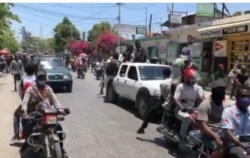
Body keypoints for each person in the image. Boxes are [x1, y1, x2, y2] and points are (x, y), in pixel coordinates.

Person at [20, 70, 68, 158]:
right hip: (35, 115)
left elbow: (54, 100)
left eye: (42, 78)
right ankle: (27, 146)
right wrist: (25, 112)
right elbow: (25, 102)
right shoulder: (31, 89)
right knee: (29, 128)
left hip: (48, 114)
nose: (41, 79)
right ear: (36, 78)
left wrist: (60, 109)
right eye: (39, 78)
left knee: (58, 128)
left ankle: (61, 148)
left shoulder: (48, 89)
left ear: (45, 78)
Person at [196, 79, 226, 158]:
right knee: (221, 149)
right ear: (213, 90)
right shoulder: (205, 105)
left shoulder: (223, 105)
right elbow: (203, 126)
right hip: (208, 134)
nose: (221, 91)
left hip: (223, 132)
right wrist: (216, 137)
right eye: (219, 89)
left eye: (223, 89)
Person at [136, 67, 172, 134]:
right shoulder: (173, 81)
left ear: (163, 74)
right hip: (173, 102)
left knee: (150, 111)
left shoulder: (163, 83)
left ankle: (142, 128)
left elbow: (162, 96)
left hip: (167, 102)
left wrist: (159, 103)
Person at [174, 68, 204, 143]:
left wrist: (207, 104)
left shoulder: (196, 87)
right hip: (180, 110)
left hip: (192, 109)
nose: (193, 80)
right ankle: (182, 136)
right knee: (187, 118)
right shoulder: (180, 86)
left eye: (194, 79)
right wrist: (182, 107)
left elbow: (201, 97)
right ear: (186, 78)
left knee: (202, 117)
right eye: (191, 79)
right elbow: (176, 99)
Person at [10, 63, 37, 142]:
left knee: (16, 114)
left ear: (25, 71)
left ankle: (16, 135)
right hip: (39, 102)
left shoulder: (23, 80)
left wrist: (24, 100)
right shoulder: (37, 78)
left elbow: (21, 93)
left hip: (28, 104)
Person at [221, 87, 250, 158]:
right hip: (234, 144)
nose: (247, 99)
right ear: (237, 97)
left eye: (249, 96)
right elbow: (228, 132)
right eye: (243, 96)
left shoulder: (249, 113)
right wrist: (243, 146)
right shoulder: (228, 112)